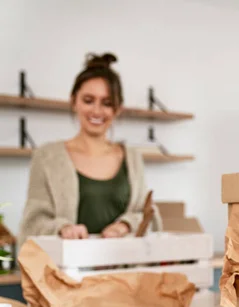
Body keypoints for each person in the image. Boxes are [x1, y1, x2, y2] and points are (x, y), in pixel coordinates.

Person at [18, 53, 162, 248]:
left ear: (118, 109)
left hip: (125, 274)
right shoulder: (47, 157)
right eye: (88, 100)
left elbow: (148, 217)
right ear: (74, 101)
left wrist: (125, 226)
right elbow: (32, 224)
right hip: (66, 275)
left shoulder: (133, 158)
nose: (96, 111)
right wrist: (62, 228)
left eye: (107, 103)